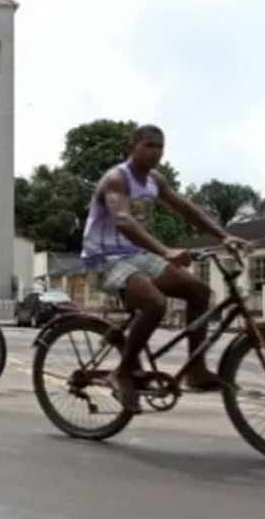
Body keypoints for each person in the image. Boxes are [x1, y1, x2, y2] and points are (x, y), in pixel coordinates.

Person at [81, 125, 245, 412]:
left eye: (160, 147)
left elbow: (186, 208)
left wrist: (223, 236)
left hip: (135, 255)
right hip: (103, 258)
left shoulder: (155, 179)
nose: (156, 152)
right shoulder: (117, 178)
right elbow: (123, 220)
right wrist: (166, 251)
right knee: (155, 304)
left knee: (199, 291)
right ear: (132, 146)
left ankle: (196, 371)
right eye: (149, 145)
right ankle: (122, 371)